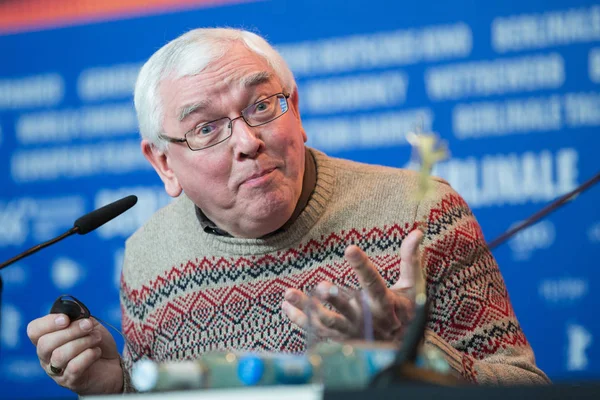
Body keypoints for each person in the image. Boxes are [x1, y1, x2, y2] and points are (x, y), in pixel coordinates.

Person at [26, 27, 549, 395]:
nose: (248, 142)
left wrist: (414, 356)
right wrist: (116, 389)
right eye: (206, 128)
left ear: (295, 110)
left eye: (261, 106)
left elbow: (529, 390)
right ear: (164, 164)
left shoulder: (423, 211)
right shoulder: (148, 257)